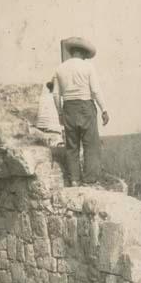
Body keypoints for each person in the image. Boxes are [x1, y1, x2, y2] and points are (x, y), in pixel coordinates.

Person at [52, 37, 109, 186]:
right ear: (83, 53)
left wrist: (60, 113)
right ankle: (89, 180)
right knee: (91, 144)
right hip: (85, 106)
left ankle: (74, 180)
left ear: (71, 52)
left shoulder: (59, 69)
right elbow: (95, 90)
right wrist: (104, 109)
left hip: (68, 107)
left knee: (72, 146)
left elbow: (56, 94)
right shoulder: (88, 67)